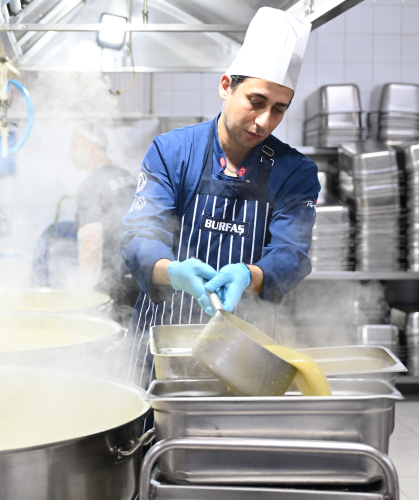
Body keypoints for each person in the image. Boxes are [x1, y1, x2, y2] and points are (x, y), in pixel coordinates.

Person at [118, 7, 321, 388]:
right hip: (163, 343)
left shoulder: (295, 172)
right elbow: (139, 236)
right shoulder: (173, 152)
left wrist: (249, 276)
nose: (264, 121)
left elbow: (292, 254)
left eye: (278, 110)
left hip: (248, 347)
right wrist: (173, 272)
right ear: (226, 86)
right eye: (256, 101)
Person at [69, 125, 140, 322]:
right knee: (136, 336)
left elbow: (91, 241)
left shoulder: (91, 184)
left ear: (91, 148)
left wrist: (84, 295)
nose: (69, 152)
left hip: (114, 286)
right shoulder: (127, 176)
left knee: (109, 336)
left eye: (74, 146)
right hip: (141, 280)